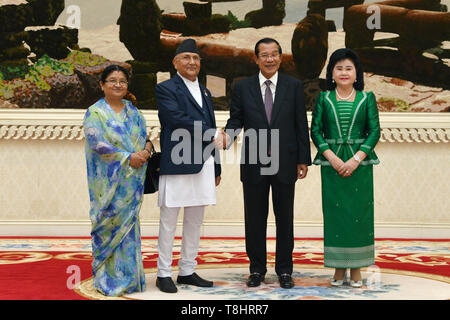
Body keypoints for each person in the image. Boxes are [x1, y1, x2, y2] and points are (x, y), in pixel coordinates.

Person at [223, 38, 311, 289]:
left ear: (281, 58)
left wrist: (303, 158)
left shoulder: (293, 86)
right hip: (254, 162)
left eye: (274, 54)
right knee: (255, 218)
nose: (270, 59)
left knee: (285, 218)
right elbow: (235, 120)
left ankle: (284, 270)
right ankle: (257, 269)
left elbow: (300, 123)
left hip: (285, 161)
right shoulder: (242, 87)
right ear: (256, 59)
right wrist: (225, 139)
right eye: (264, 55)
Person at [155, 39, 222, 293]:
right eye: (186, 58)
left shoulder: (205, 91)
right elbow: (176, 120)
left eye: (195, 58)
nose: (192, 63)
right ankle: (163, 273)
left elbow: (211, 125)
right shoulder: (166, 89)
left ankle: (187, 270)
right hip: (177, 163)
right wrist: (212, 134)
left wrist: (216, 167)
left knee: (195, 221)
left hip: (203, 165)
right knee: (169, 220)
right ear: (175, 62)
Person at [310, 48, 381, 288]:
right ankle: (339, 267)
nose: (343, 72)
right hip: (331, 165)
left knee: (358, 216)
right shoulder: (324, 98)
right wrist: (332, 157)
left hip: (360, 166)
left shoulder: (366, 98)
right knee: (336, 216)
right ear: (331, 72)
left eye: (348, 68)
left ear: (356, 73)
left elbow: (374, 131)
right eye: (338, 68)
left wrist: (355, 159)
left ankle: (357, 268)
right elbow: (316, 131)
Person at [83, 64, 152, 296]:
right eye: (112, 80)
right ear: (102, 85)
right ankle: (107, 280)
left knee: (129, 229)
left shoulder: (134, 112)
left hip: (131, 185)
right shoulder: (95, 112)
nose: (118, 84)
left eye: (122, 81)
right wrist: (128, 157)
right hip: (107, 186)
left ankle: (130, 279)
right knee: (107, 228)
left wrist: (146, 152)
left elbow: (146, 139)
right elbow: (97, 144)